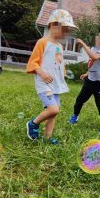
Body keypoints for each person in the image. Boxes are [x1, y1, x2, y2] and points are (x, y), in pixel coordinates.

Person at [25, 9, 77, 144]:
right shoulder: (42, 42)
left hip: (55, 84)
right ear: (53, 25)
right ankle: (33, 123)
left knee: (53, 112)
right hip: (44, 83)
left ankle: (47, 138)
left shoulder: (59, 45)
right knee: (53, 109)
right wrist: (41, 72)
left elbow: (59, 61)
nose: (66, 33)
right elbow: (33, 62)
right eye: (64, 29)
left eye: (68, 30)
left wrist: (63, 73)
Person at [68, 27, 100, 134]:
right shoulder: (93, 48)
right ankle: (75, 116)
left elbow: (94, 57)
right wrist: (87, 73)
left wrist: (82, 43)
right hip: (90, 81)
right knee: (80, 100)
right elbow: (93, 63)